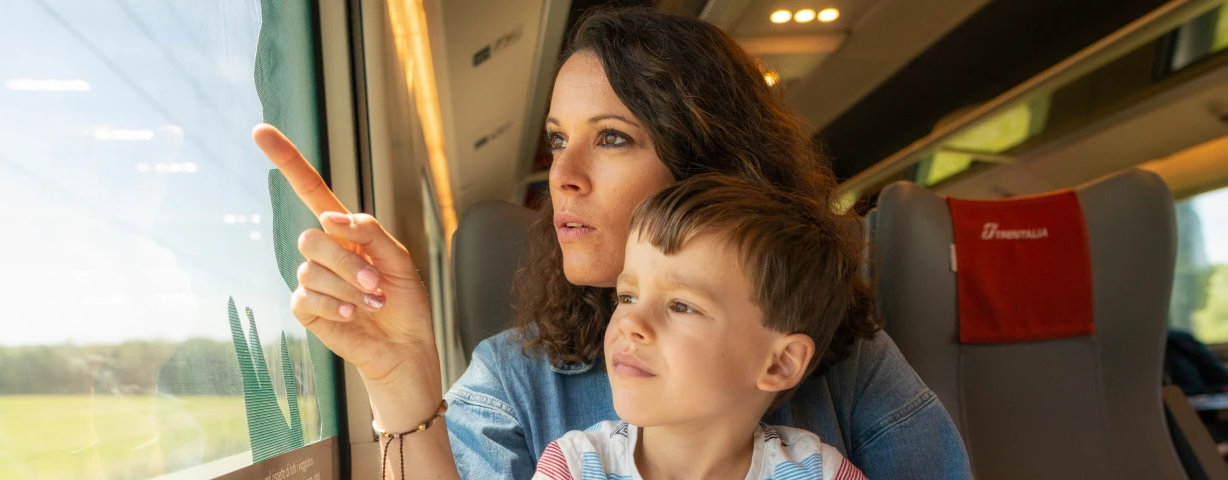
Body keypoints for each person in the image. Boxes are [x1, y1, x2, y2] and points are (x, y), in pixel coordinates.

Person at [253, 7, 971, 480]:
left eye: (613, 139)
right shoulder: (512, 380)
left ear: (707, 166)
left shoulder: (847, 360)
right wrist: (398, 372)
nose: (561, 177)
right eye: (559, 140)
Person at [533, 174, 869, 480]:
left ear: (781, 362)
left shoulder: (822, 474)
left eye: (681, 306)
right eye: (627, 297)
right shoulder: (572, 468)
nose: (630, 323)